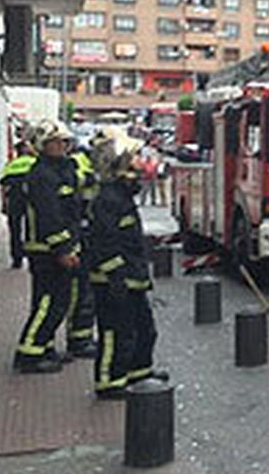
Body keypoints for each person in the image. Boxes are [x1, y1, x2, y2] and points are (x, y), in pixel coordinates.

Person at [87, 127, 167, 399]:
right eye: (132, 160)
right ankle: (109, 382)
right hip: (114, 280)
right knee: (115, 332)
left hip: (131, 276)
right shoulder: (108, 199)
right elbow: (103, 242)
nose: (138, 165)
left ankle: (139, 372)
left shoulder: (120, 196)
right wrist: (116, 277)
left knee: (144, 329)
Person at [13, 120, 82, 374]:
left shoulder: (56, 171)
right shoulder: (42, 176)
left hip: (53, 247)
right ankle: (29, 353)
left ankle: (44, 347)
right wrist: (63, 249)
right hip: (46, 250)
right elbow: (49, 217)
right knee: (51, 302)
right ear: (44, 145)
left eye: (65, 141)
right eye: (57, 141)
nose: (63, 145)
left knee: (48, 301)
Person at [63, 142, 100, 358]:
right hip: (78, 236)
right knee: (80, 293)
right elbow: (75, 190)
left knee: (85, 293)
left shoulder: (85, 163)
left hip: (84, 234)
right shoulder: (77, 163)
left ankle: (82, 337)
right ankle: (78, 340)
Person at [0, 132, 38, 270]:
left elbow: (3, 184)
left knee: (15, 229)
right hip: (31, 200)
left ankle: (17, 259)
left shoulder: (12, 164)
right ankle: (32, 257)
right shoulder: (35, 163)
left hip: (15, 200)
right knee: (31, 230)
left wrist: (3, 203)